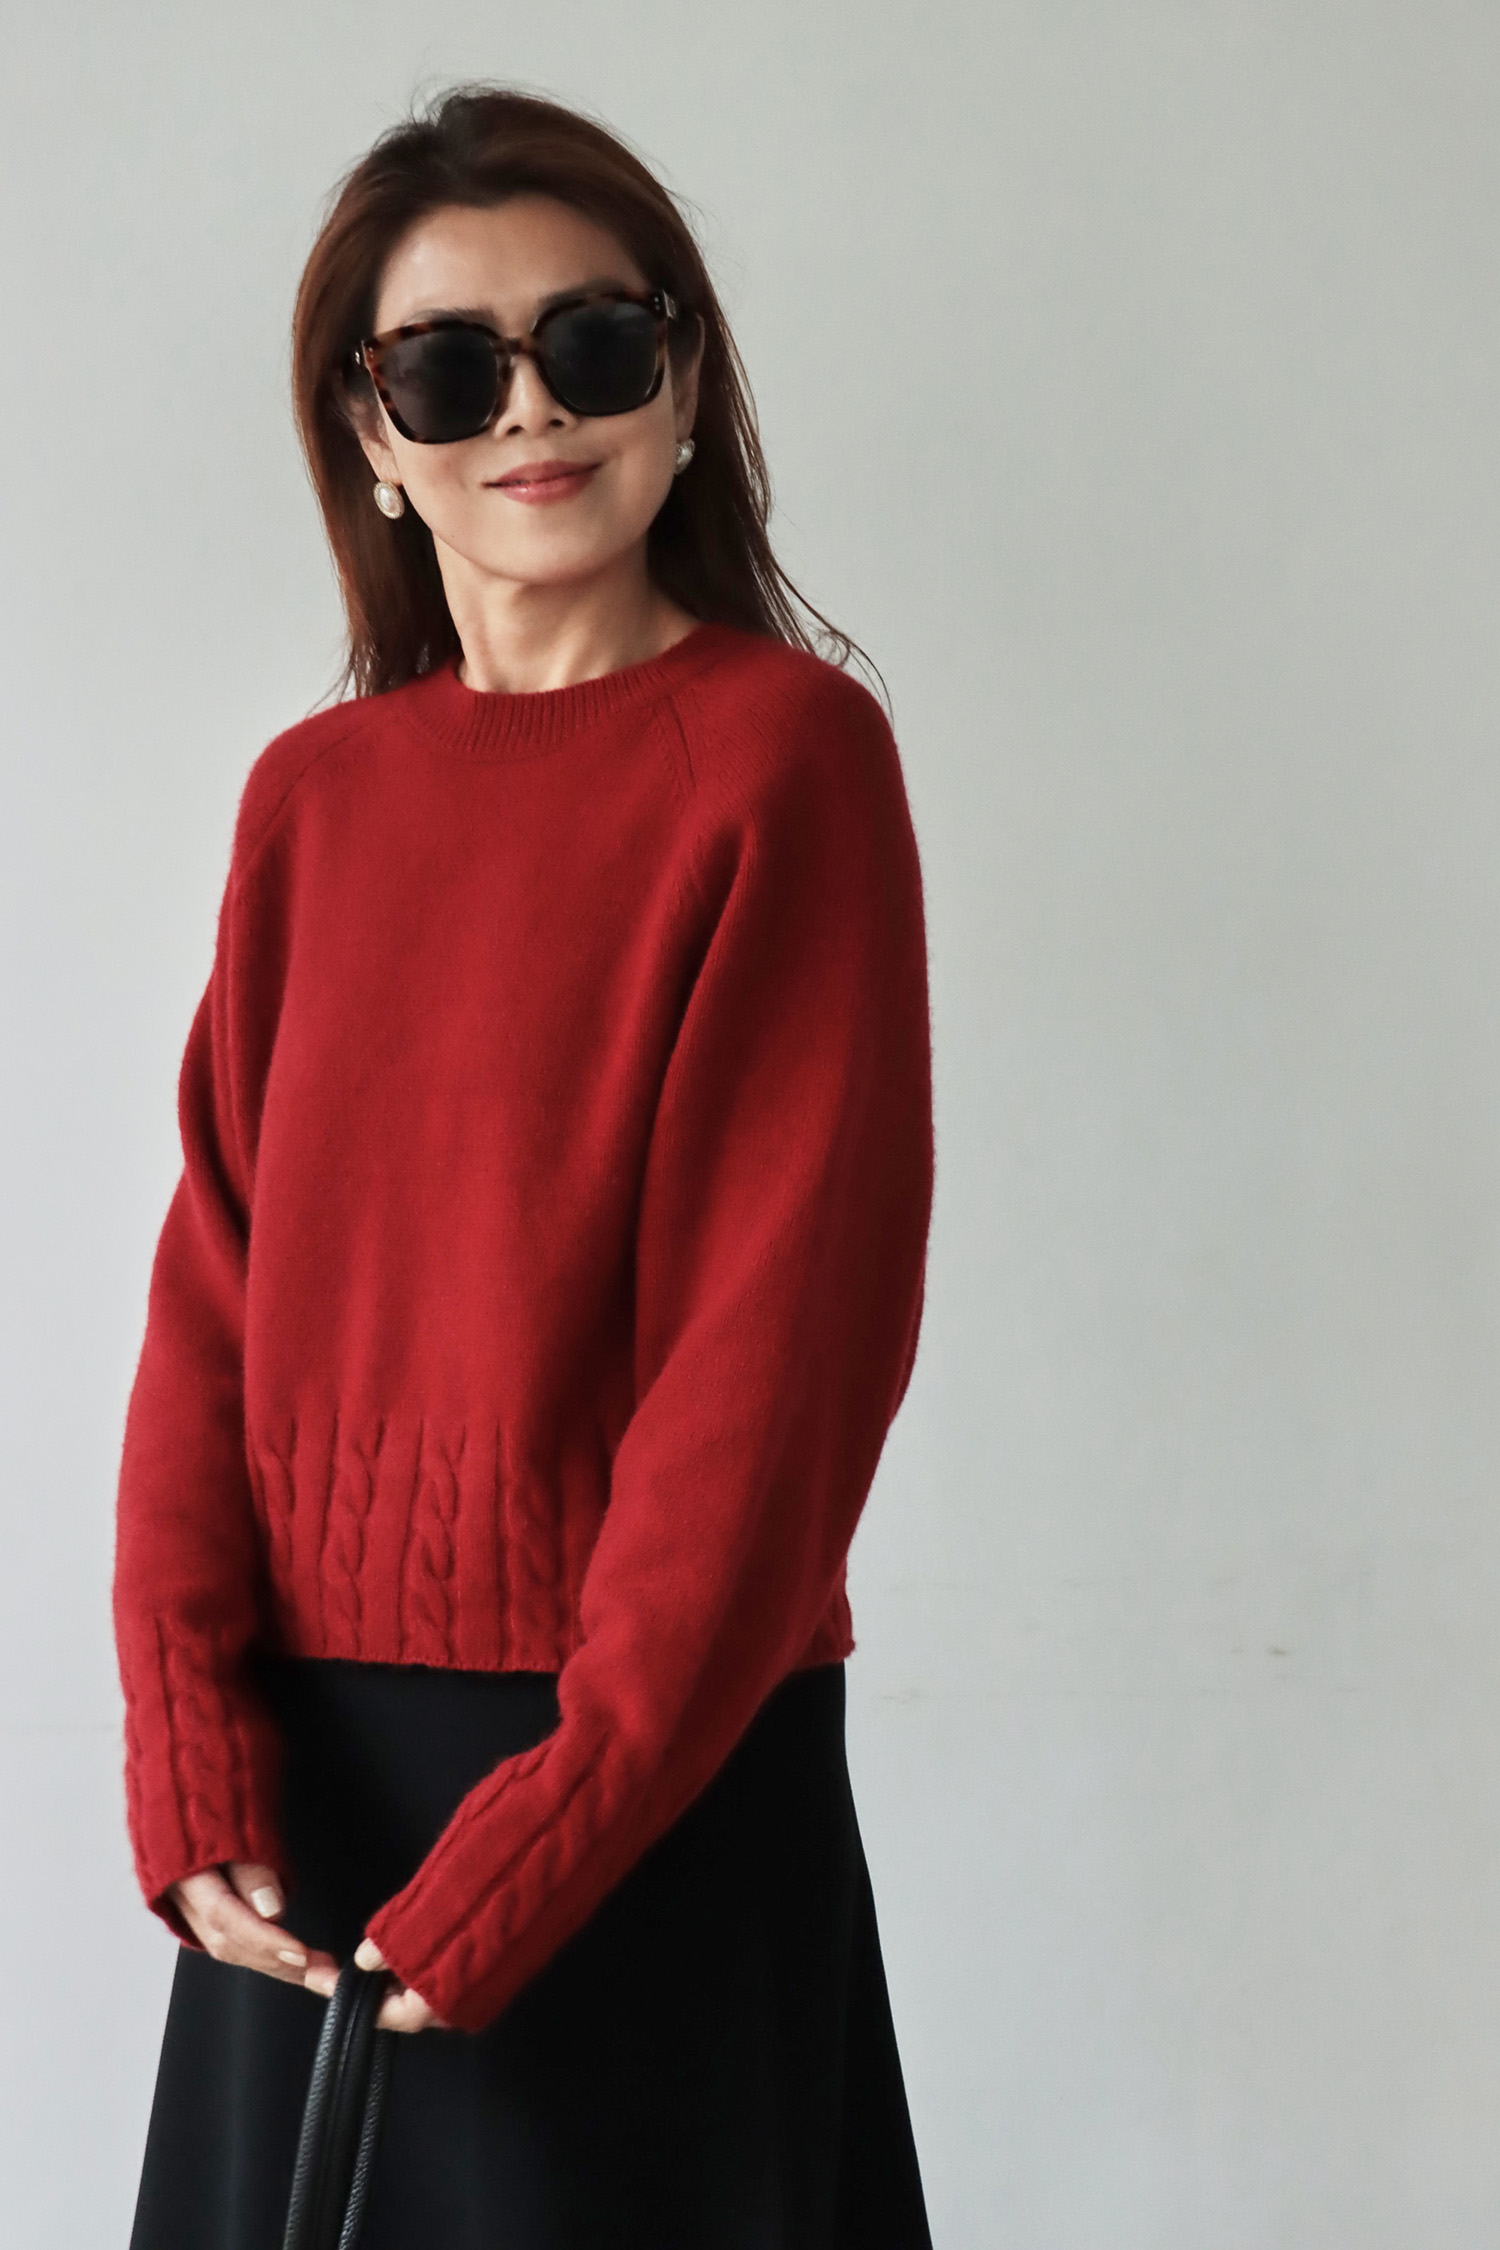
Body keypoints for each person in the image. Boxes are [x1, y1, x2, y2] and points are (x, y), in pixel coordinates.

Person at [113, 81, 936, 2249]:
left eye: (592, 342)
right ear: (370, 434)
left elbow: (773, 1375)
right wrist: (191, 1753)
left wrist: (555, 1827)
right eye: (449, 370)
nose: (531, 412)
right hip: (315, 1804)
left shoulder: (785, 762)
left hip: (649, 1780)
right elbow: (213, 1304)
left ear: (682, 377)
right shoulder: (314, 799)